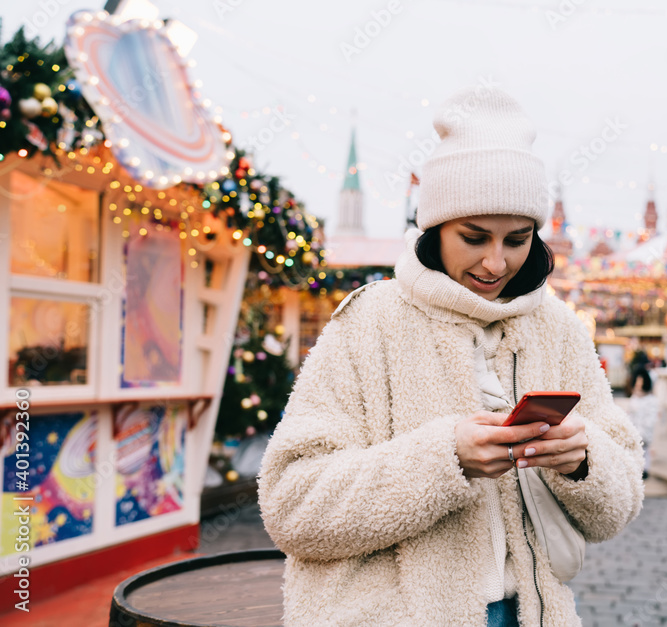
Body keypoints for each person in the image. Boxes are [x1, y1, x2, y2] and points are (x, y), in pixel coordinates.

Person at [257, 86, 644, 627]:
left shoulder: (556, 327)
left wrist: (583, 460)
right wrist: (444, 458)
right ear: (435, 226)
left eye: (518, 238)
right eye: (474, 236)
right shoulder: (369, 321)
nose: (495, 261)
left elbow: (620, 500)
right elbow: (292, 506)